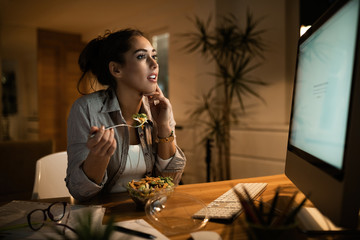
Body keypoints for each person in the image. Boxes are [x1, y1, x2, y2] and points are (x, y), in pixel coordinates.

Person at [66, 29, 186, 201]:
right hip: (101, 216)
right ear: (116, 69)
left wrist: (164, 127)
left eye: (154, 56)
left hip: (148, 210)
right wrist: (98, 157)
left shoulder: (160, 109)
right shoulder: (86, 109)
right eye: (141, 56)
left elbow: (171, 182)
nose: (154, 64)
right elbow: (79, 192)